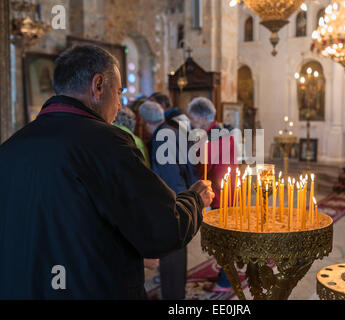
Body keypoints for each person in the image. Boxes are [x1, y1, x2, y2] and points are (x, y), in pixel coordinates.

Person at [0, 45, 214, 299]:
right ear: (98, 85)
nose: (121, 104)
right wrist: (195, 200)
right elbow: (165, 229)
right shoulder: (108, 143)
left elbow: (63, 227)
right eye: (119, 92)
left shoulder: (10, 148)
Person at [138, 100, 199, 300]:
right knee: (177, 252)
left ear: (145, 122)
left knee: (172, 253)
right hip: (184, 193)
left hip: (172, 201)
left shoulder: (162, 137)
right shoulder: (174, 129)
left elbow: (168, 176)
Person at [187, 97, 239, 293]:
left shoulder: (215, 136)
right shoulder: (216, 132)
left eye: (192, 118)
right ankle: (225, 276)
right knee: (222, 238)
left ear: (202, 117)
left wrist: (206, 194)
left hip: (222, 195)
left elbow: (214, 170)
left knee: (223, 239)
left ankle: (226, 281)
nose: (191, 122)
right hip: (224, 192)